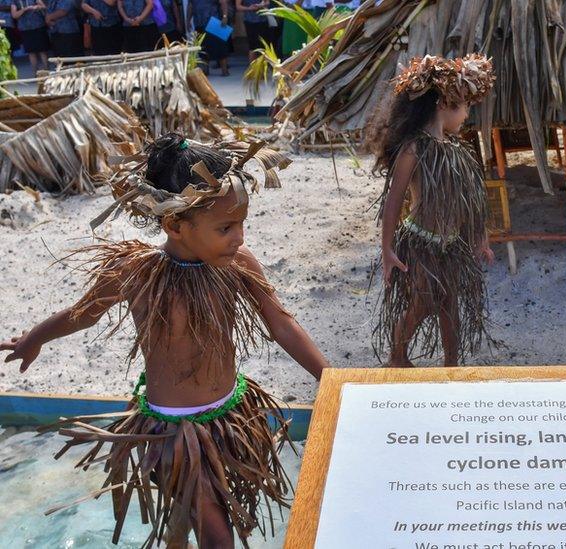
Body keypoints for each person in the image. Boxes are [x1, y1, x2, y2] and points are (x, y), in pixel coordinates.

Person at [1, 135, 330, 547]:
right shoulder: (135, 273)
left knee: (189, 521)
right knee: (217, 536)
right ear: (174, 224)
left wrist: (332, 379)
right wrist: (34, 337)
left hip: (231, 419)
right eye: (226, 227)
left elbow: (282, 325)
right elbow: (82, 314)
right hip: (173, 434)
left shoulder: (238, 265)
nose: (240, 238)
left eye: (242, 224)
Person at [364, 54, 496, 368]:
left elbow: (470, 203)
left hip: (450, 245)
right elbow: (394, 201)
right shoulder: (414, 148)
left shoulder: (456, 151)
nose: (466, 113)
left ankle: (451, 366)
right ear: (443, 103)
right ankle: (397, 357)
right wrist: (387, 250)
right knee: (422, 303)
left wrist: (480, 238)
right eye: (464, 105)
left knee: (450, 306)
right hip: (421, 244)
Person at [189, 0, 229, 75]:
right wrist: (188, 20)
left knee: (220, 47)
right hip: (199, 22)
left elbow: (223, 2)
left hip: (214, 21)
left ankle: (225, 70)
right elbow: (190, 5)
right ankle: (205, 71)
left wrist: (225, 16)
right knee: (203, 49)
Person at [10, 0, 47, 73]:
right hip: (25, 29)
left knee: (42, 50)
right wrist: (24, 9)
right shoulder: (15, 1)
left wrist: (37, 7)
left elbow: (44, 7)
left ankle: (47, 70)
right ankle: (35, 73)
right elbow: (14, 15)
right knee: (31, 52)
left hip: (38, 26)